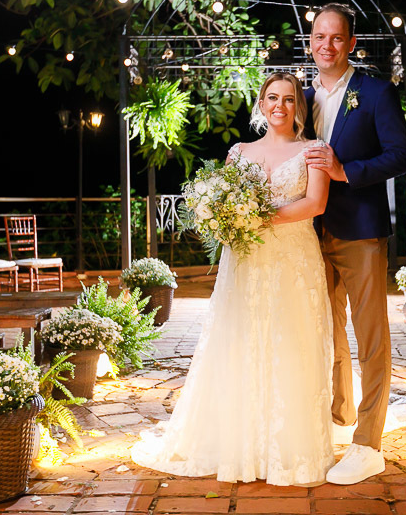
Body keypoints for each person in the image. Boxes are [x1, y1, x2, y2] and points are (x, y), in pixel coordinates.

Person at [131, 72, 335, 486]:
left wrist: (255, 216)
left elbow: (314, 204)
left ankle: (289, 447)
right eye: (272, 98)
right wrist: (226, 217)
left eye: (289, 99)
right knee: (240, 339)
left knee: (292, 341)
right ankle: (238, 440)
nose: (280, 105)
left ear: (299, 107)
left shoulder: (313, 150)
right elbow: (219, 205)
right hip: (245, 260)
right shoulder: (238, 152)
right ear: (260, 104)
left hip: (294, 259)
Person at [303, 3, 406, 485]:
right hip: (310, 232)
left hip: (362, 232)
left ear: (351, 43)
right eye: (319, 37)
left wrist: (346, 171)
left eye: (336, 38)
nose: (326, 45)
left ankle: (369, 442)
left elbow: (402, 156)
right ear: (311, 42)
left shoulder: (376, 92)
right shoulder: (302, 97)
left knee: (371, 340)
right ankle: (339, 415)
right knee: (325, 332)